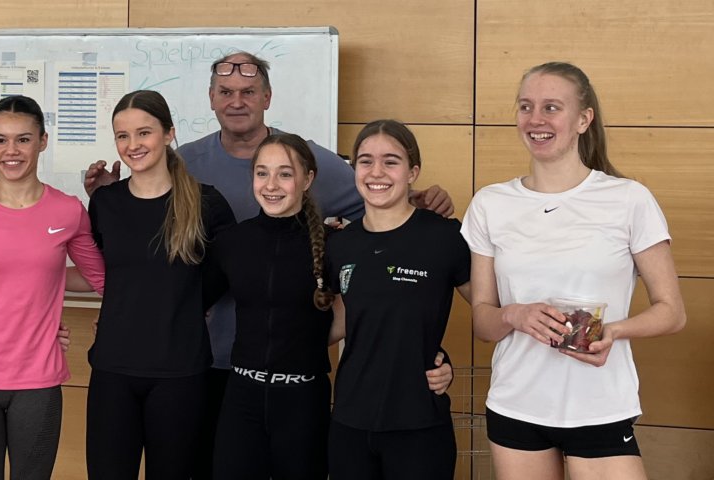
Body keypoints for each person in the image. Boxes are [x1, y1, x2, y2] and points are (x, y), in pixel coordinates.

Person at [84, 52, 456, 478]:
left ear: (267, 98)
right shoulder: (185, 165)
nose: (236, 101)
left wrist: (415, 200)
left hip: (298, 387)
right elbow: (167, 274)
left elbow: (382, 239)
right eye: (226, 92)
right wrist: (127, 319)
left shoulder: (313, 188)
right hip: (214, 368)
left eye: (248, 92)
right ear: (211, 99)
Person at [461, 62, 686, 480]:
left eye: (551, 107)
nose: (536, 119)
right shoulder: (490, 204)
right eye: (526, 107)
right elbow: (483, 322)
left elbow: (672, 312)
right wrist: (514, 315)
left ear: (584, 119)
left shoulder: (629, 199)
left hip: (601, 406)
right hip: (516, 404)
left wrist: (613, 332)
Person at [202, 132, 456, 479]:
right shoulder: (232, 243)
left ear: (308, 179)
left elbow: (387, 307)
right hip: (240, 397)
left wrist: (436, 356)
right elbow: (188, 303)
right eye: (262, 173)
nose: (271, 184)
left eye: (285, 173)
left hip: (304, 400)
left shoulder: (336, 244)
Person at [0, 94, 105, 479]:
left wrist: (45, 284)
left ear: (42, 141)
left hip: (38, 378)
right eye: (0, 140)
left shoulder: (67, 210)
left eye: (23, 139)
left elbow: (101, 279)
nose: (11, 151)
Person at [85, 90, 236, 479]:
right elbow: (110, 272)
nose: (133, 145)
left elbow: (225, 274)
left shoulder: (206, 204)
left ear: (169, 133)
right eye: (123, 136)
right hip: (113, 370)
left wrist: (184, 304)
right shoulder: (105, 202)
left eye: (144, 132)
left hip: (180, 373)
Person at [324, 120, 471, 479]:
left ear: (412, 172)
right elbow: (342, 321)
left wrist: (442, 359)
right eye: (365, 161)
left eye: (390, 161)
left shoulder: (444, 237)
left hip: (419, 423)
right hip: (350, 420)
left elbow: (488, 311)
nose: (376, 172)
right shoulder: (340, 244)